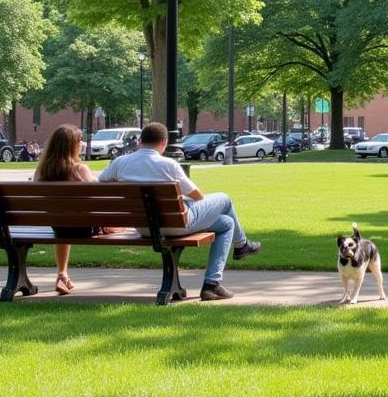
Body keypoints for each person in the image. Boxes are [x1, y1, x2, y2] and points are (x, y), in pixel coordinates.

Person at [99, 122, 261, 301]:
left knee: (226, 223)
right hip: (176, 225)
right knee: (224, 199)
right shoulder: (168, 164)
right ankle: (242, 245)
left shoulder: (120, 162)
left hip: (143, 227)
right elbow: (198, 196)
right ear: (164, 142)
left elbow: (102, 183)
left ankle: (212, 284)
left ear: (141, 141)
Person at [33, 124, 98, 296]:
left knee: (64, 220)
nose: (82, 144)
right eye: (80, 141)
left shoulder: (42, 172)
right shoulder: (80, 170)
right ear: (72, 146)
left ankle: (62, 274)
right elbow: (98, 197)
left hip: (59, 226)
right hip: (85, 229)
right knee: (113, 225)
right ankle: (62, 275)